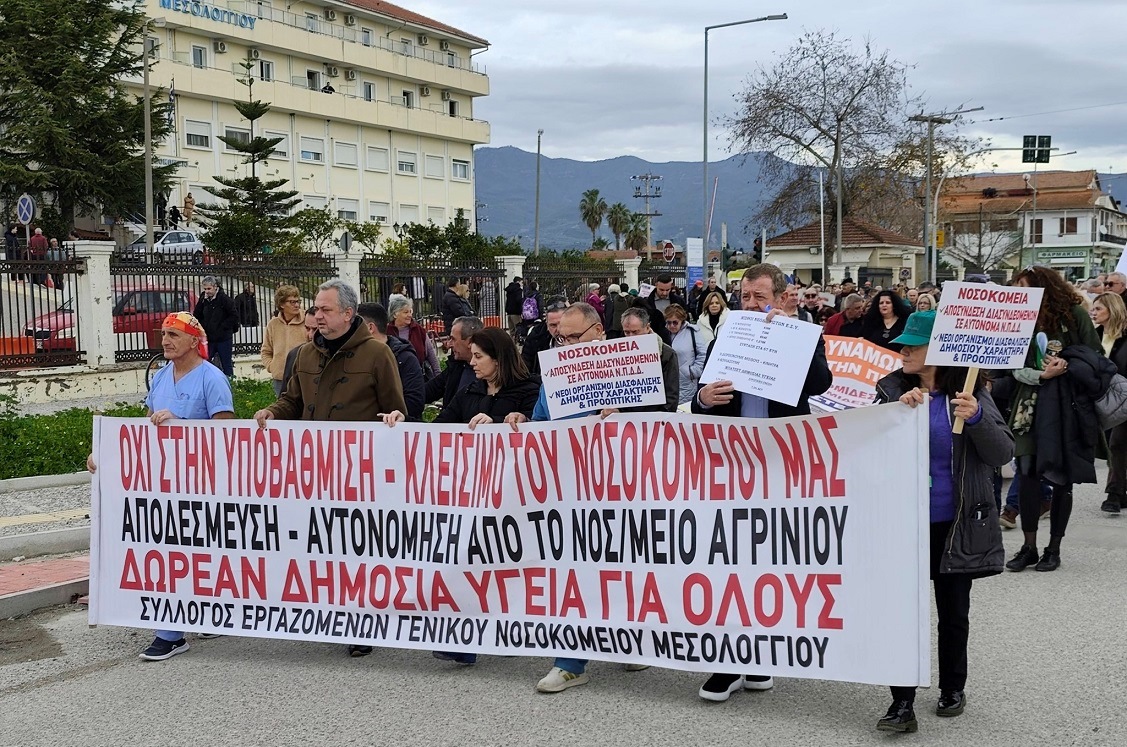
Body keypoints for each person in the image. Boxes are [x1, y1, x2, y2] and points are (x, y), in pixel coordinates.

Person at [503, 303, 669, 693]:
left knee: (622, 568)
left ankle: (629, 640)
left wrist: (625, 413)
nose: (566, 344)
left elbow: (660, 418)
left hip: (621, 489)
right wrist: (523, 421)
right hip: (569, 493)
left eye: (574, 337)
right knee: (573, 573)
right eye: (561, 338)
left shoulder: (632, 367)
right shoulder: (555, 376)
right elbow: (543, 424)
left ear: (598, 332)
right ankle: (570, 662)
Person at [691, 263, 832, 703]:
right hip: (733, 468)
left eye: (760, 297)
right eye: (745, 297)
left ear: (781, 297)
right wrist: (702, 399)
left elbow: (821, 383)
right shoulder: (726, 336)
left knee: (769, 566)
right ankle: (729, 662)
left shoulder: (802, 334)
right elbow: (702, 400)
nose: (751, 305)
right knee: (729, 564)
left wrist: (791, 336)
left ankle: (758, 658)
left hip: (780, 468)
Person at [873, 310, 1012, 732]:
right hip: (905, 523)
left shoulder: (971, 393)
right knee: (903, 614)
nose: (903, 351)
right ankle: (901, 702)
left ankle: (953, 688)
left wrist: (976, 417)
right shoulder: (892, 389)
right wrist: (893, 413)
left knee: (953, 613)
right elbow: (867, 447)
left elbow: (1002, 452)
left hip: (955, 523)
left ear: (938, 351)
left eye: (912, 345)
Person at [254, 281, 405, 659]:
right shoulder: (305, 354)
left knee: (358, 548)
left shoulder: (377, 354)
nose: (317, 316)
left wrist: (395, 419)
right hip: (315, 471)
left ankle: (363, 621)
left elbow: (396, 408)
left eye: (325, 310)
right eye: (316, 309)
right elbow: (291, 400)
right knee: (323, 545)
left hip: (360, 473)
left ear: (348, 314)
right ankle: (329, 612)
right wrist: (272, 412)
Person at [88, 312, 234, 662]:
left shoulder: (212, 379)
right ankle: (171, 632)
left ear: (194, 341)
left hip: (200, 484)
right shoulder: (161, 377)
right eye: (164, 334)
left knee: (196, 553)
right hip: (164, 484)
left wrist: (181, 424)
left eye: (173, 334)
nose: (165, 340)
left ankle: (195, 618)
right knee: (171, 554)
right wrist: (105, 454)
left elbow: (227, 434)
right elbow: (144, 431)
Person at [1003, 266, 1102, 573]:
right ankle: (1029, 546)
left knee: (1062, 477)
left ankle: (1053, 548)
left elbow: (1095, 356)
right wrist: (1040, 375)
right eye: (1016, 287)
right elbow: (1011, 364)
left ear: (1044, 287)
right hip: (1028, 406)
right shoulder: (1017, 319)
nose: (1020, 293)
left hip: (1066, 406)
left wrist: (1067, 364)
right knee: (1027, 472)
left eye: (1025, 287)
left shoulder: (1074, 315)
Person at [1091, 292, 1127, 514]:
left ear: (1111, 310)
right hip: (1106, 400)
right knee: (1117, 446)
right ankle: (1119, 492)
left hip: (1125, 397)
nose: (1093, 313)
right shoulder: (1094, 336)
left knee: (1117, 443)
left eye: (1098, 309)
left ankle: (1114, 493)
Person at [358, 303, 425, 421]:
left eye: (355, 326)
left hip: (392, 428)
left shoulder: (404, 358)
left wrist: (393, 416)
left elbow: (415, 402)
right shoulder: (354, 356)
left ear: (370, 328)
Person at [619, 308, 680, 413]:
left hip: (655, 418)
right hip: (626, 418)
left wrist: (658, 419)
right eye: (627, 332)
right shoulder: (618, 354)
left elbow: (671, 396)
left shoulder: (666, 354)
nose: (630, 337)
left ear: (647, 327)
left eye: (635, 332)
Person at [426, 316, 484, 409]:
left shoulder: (493, 373)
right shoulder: (456, 366)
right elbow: (429, 391)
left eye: (453, 339)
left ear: (470, 341)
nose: (449, 344)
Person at [261, 285, 308, 396]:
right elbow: (266, 351)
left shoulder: (307, 321)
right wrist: (272, 367)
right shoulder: (273, 324)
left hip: (302, 377)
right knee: (282, 406)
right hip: (279, 379)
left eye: (298, 301)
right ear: (281, 304)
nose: (297, 305)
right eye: (292, 302)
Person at [194, 276, 240, 376]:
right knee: (205, 362)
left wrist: (222, 327)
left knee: (226, 364)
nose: (207, 291)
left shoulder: (224, 299)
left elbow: (234, 316)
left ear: (215, 287)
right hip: (209, 337)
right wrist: (203, 327)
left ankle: (229, 382)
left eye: (209, 288)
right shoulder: (203, 299)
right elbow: (197, 314)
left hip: (223, 338)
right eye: (205, 289)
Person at [388, 295, 440, 380]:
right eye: (405, 312)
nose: (409, 315)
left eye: (410, 312)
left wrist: (438, 377)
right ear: (394, 314)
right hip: (395, 380)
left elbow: (431, 355)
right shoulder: (387, 332)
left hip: (418, 378)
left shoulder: (419, 330)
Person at [665, 304, 708, 406]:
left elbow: (702, 354)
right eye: (669, 322)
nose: (672, 326)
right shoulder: (663, 333)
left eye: (675, 322)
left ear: (682, 320)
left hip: (687, 380)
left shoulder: (692, 332)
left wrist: (693, 372)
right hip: (669, 381)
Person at [521, 302, 566, 375]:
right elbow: (525, 369)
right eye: (553, 325)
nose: (558, 329)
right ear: (547, 325)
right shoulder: (535, 339)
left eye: (562, 324)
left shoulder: (581, 339)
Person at [282, 307, 319, 386]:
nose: (310, 335)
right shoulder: (295, 355)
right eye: (307, 328)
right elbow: (286, 391)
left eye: (315, 329)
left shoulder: (338, 355)